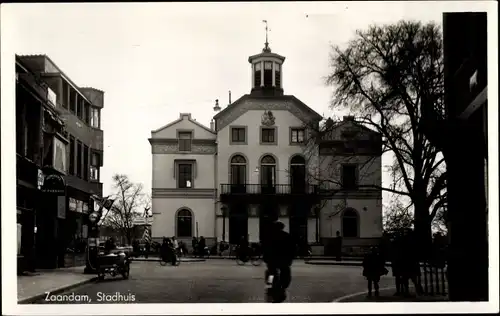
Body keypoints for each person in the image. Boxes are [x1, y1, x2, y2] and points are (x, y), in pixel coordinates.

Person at [262, 221, 296, 303]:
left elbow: (265, 247)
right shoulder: (287, 236)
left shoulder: (269, 236)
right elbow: (292, 248)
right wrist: (291, 258)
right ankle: (283, 286)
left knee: (271, 273)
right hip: (283, 259)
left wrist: (265, 257)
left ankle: (269, 287)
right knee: (285, 272)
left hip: (272, 259)